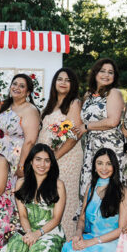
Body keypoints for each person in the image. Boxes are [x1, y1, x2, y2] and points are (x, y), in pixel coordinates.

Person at [0, 145, 67, 252]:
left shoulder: (58, 185)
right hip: (28, 228)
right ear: (31, 162)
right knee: (13, 250)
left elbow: (56, 219)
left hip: (50, 230)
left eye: (47, 160)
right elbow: (23, 215)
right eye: (38, 159)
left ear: (51, 164)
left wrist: (37, 234)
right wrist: (29, 233)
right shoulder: (21, 183)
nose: (42, 164)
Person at [63, 148, 127, 252]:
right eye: (100, 163)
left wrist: (91, 242)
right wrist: (78, 233)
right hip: (91, 236)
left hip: (111, 242)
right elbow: (82, 218)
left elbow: (122, 229)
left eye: (108, 163)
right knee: (68, 248)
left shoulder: (122, 192)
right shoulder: (91, 187)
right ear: (94, 167)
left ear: (114, 167)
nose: (104, 168)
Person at [39, 68, 84, 238]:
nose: (63, 82)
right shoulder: (50, 104)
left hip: (66, 157)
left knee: (65, 195)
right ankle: (48, 237)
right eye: (60, 79)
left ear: (72, 85)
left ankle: (65, 239)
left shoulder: (74, 103)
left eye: (67, 80)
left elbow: (74, 135)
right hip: (47, 158)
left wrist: (56, 157)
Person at [76, 59, 126, 200]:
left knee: (108, 188)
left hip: (110, 146)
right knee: (91, 187)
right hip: (91, 147)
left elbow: (112, 121)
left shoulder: (114, 93)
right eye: (102, 71)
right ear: (95, 73)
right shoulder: (88, 95)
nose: (106, 75)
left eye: (110, 72)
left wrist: (87, 127)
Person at [0, 73, 40, 174]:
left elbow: (30, 141)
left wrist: (22, 165)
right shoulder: (6, 106)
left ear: (28, 92)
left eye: (22, 86)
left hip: (15, 158)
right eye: (14, 84)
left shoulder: (30, 110)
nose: (16, 87)